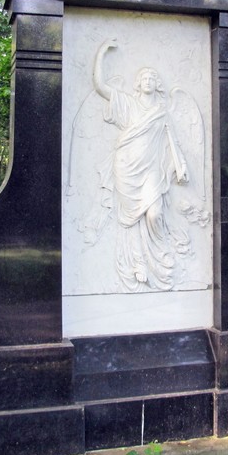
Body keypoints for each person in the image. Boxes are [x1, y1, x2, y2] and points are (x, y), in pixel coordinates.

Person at [92, 39, 191, 291]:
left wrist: (180, 165)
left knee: (154, 213)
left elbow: (171, 141)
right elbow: (100, 86)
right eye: (143, 78)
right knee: (130, 218)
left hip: (151, 169)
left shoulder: (162, 111)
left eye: (151, 78)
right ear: (138, 83)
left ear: (156, 84)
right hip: (126, 166)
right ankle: (137, 262)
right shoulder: (127, 103)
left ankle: (160, 253)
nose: (147, 81)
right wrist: (101, 53)